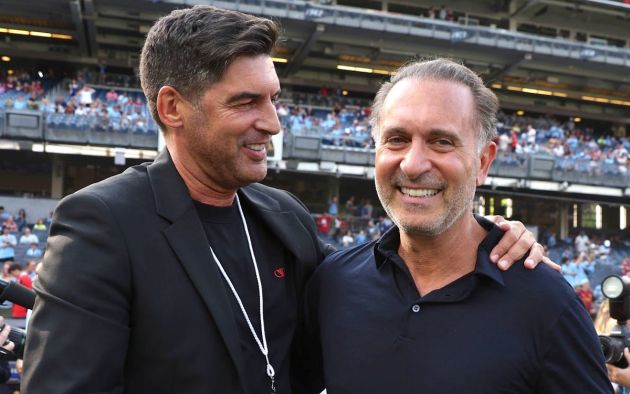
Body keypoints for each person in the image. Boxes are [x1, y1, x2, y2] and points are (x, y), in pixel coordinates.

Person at [24, 7, 547, 394]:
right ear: (173, 107)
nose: (272, 123)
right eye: (246, 102)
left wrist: (481, 236)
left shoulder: (284, 217)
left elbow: (369, 301)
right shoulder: (102, 222)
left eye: (273, 98)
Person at [302, 59, 611, 393]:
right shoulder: (334, 282)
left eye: (442, 142)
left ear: (482, 162)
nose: (413, 164)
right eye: (396, 139)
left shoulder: (547, 304)